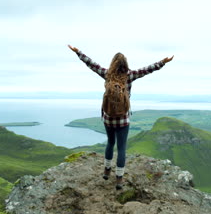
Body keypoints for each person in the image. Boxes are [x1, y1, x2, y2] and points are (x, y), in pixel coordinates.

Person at [68, 45, 174, 189]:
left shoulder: (107, 75)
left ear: (113, 63)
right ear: (125, 64)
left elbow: (91, 64)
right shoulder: (129, 76)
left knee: (110, 143)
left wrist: (78, 52)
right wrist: (163, 62)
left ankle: (106, 171)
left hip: (108, 118)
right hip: (123, 119)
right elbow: (147, 69)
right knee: (122, 148)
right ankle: (119, 179)